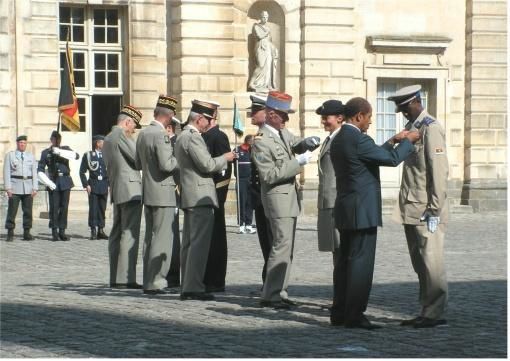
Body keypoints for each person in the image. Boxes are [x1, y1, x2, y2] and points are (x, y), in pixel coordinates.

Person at [329, 97, 420, 329]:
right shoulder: (359, 138)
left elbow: (372, 155)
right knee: (360, 264)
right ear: (359, 116)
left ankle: (339, 312)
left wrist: (392, 140)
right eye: (369, 117)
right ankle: (355, 315)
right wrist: (408, 141)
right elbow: (390, 160)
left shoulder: (340, 138)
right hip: (362, 211)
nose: (370, 122)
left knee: (344, 264)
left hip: (346, 208)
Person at [251, 91, 321, 309]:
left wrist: (306, 143)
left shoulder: (281, 132)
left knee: (286, 248)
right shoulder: (261, 141)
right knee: (280, 246)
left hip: (288, 200)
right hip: (277, 200)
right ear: (271, 114)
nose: (286, 119)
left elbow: (294, 142)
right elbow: (269, 175)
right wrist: (298, 162)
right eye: (283, 115)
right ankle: (270, 294)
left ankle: (280, 291)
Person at [388, 85, 449, 328]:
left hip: (427, 209)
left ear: (416, 102)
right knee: (420, 262)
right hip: (412, 207)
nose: (402, 113)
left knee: (432, 262)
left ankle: (434, 312)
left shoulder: (430, 128)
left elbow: (439, 171)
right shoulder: (412, 129)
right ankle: (426, 309)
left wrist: (435, 208)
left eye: (404, 108)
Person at [174, 99, 236, 301]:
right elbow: (207, 165)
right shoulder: (193, 137)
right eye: (207, 119)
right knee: (199, 245)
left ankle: (188, 283)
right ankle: (194, 287)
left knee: (189, 244)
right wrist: (225, 157)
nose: (208, 123)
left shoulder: (182, 135)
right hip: (200, 194)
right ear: (199, 118)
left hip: (191, 194)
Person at [135, 95, 180, 295]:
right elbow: (167, 165)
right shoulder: (161, 135)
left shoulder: (143, 134)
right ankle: (157, 281)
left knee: (150, 238)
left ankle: (148, 279)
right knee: (162, 239)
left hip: (149, 191)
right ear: (169, 117)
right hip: (163, 192)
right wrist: (181, 157)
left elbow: (137, 163)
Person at [102, 105, 143, 289]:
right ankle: (125, 278)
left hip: (118, 189)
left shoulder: (108, 137)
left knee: (116, 233)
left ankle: (115, 276)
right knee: (129, 234)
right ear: (127, 122)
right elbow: (138, 158)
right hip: (130, 189)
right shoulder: (121, 136)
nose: (133, 130)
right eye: (133, 125)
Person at [201, 110, 232, 293]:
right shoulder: (204, 136)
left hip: (214, 195)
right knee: (208, 239)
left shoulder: (219, 136)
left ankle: (216, 279)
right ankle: (207, 276)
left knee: (216, 240)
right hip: (205, 195)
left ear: (211, 119)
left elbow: (225, 170)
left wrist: (219, 196)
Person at [248, 94, 272, 284]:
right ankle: (268, 282)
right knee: (266, 243)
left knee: (272, 243)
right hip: (260, 197)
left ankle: (271, 283)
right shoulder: (260, 137)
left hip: (269, 198)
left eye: (255, 112)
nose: (251, 116)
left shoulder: (268, 137)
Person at [38, 130, 79, 242]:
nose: (56, 141)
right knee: (54, 207)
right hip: (54, 182)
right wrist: (48, 182)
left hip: (65, 181)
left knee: (64, 207)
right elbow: (40, 170)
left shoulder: (65, 149)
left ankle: (62, 231)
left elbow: (76, 156)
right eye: (54, 139)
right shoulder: (46, 153)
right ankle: (54, 231)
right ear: (51, 140)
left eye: (58, 139)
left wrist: (60, 152)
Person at [316, 100, 344, 263]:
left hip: (336, 200)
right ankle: (340, 285)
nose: (323, 121)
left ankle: (344, 286)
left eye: (327, 117)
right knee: (334, 247)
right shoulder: (330, 139)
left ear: (340, 118)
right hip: (328, 200)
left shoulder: (341, 139)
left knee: (340, 248)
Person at [4, 135, 38, 242]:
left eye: (24, 143)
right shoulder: (10, 156)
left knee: (28, 211)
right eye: (20, 143)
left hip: (28, 187)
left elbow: (34, 173)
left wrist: (35, 187)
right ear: (17, 143)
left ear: (26, 144)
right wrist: (8, 188)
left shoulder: (30, 156)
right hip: (15, 186)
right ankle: (10, 232)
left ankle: (26, 232)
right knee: (12, 211)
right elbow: (6, 172)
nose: (22, 144)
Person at [79, 135, 109, 240]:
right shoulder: (88, 155)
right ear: (97, 143)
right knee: (93, 208)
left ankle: (101, 229)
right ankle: (93, 230)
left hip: (104, 185)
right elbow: (82, 171)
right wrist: (86, 185)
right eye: (103, 142)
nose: (104, 144)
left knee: (102, 208)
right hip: (94, 185)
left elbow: (110, 171)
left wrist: (109, 185)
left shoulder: (107, 155)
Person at [164, 116, 182, 289]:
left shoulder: (175, 144)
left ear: (169, 128)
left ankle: (173, 274)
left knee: (173, 236)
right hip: (165, 192)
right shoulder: (167, 142)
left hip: (174, 192)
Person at [248, 10, 278, 91]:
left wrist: (274, 49)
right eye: (263, 17)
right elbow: (259, 36)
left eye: (266, 17)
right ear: (260, 17)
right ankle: (251, 83)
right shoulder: (256, 26)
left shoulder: (268, 28)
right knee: (260, 65)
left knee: (268, 67)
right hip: (260, 47)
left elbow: (270, 41)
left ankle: (266, 85)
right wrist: (266, 32)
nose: (265, 19)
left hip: (267, 48)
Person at [234, 134, 256, 234]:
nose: (253, 143)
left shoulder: (253, 151)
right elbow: (230, 161)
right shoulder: (238, 150)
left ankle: (248, 224)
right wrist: (234, 156)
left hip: (250, 180)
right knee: (241, 202)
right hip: (241, 180)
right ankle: (241, 224)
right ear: (247, 141)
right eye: (252, 141)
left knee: (250, 203)